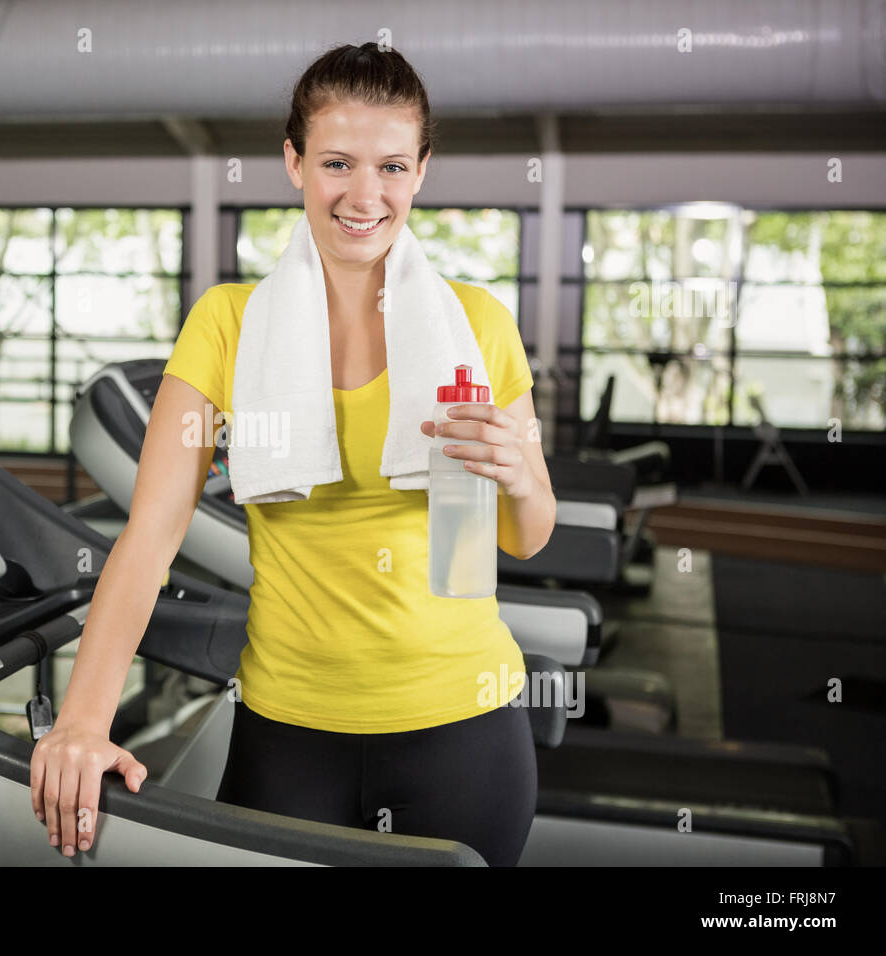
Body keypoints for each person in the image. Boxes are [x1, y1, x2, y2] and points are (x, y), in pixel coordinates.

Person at [30, 42, 556, 866]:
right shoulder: (228, 324)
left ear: (421, 171)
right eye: (337, 162)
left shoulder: (478, 323)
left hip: (465, 724)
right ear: (293, 162)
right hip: (289, 732)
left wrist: (521, 474)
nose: (364, 194)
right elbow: (151, 535)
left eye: (390, 166)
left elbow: (530, 535)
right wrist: (82, 723)